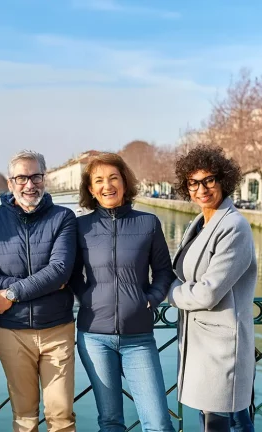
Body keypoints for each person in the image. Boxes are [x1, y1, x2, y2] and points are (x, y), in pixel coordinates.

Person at [69, 152, 176, 432]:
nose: (108, 186)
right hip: (94, 337)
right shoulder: (81, 227)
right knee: (111, 421)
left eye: (113, 178)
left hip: (139, 337)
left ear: (125, 182)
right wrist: (87, 299)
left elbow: (164, 271)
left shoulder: (148, 223)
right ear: (91, 189)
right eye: (99, 180)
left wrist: (150, 299)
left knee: (158, 423)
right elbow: (72, 274)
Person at [0, 150, 78, 432]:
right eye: (21, 177)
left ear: (44, 179)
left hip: (57, 329)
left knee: (61, 415)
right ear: (10, 183)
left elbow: (60, 271)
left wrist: (10, 294)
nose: (29, 184)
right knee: (24, 417)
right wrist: (44, 284)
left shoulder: (63, 217)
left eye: (35, 176)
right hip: (11, 332)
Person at [167, 145, 257, 432]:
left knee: (223, 422)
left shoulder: (234, 226)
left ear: (223, 180)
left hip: (222, 346)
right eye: (193, 183)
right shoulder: (201, 222)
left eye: (209, 180)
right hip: (201, 342)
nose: (201, 189)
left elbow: (208, 291)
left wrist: (170, 293)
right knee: (220, 419)